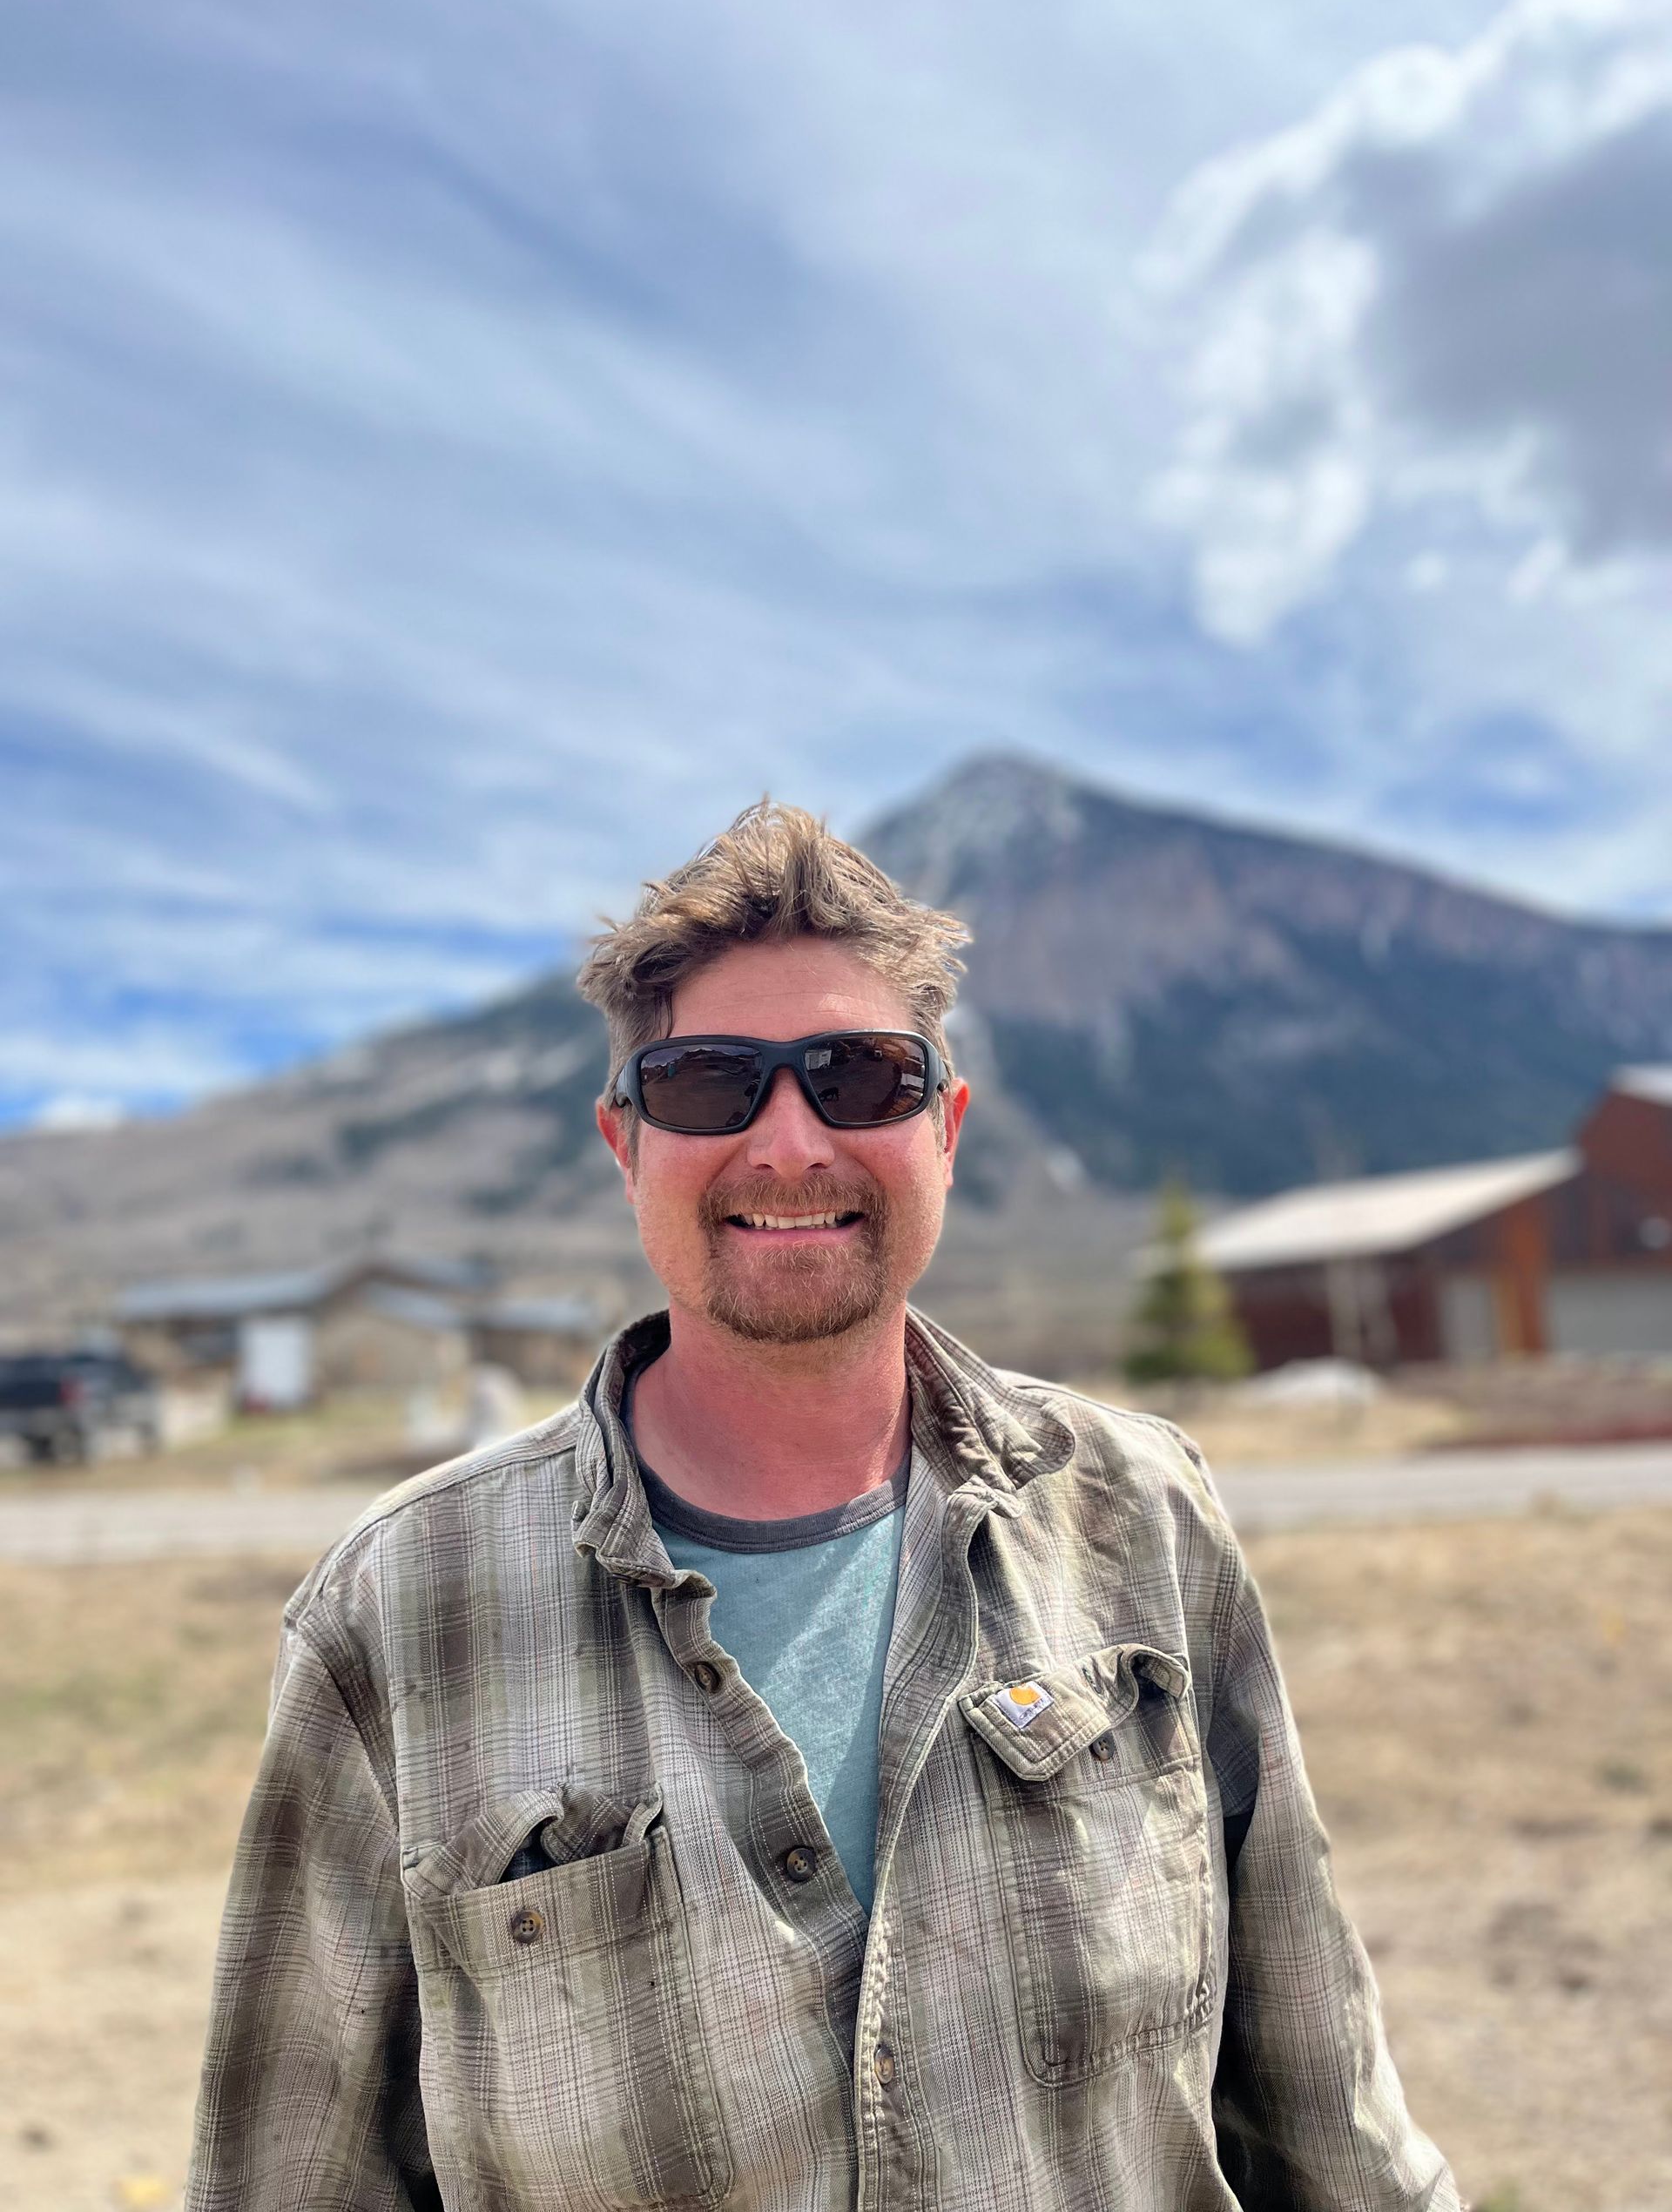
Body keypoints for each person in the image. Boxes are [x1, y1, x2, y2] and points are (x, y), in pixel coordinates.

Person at [186, 801, 1462, 2212]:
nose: (790, 1143)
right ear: (625, 1145)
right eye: (707, 1084)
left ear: (947, 1130)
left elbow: (1328, 2121)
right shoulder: (397, 1610)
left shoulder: (1142, 1516)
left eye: (860, 1078)